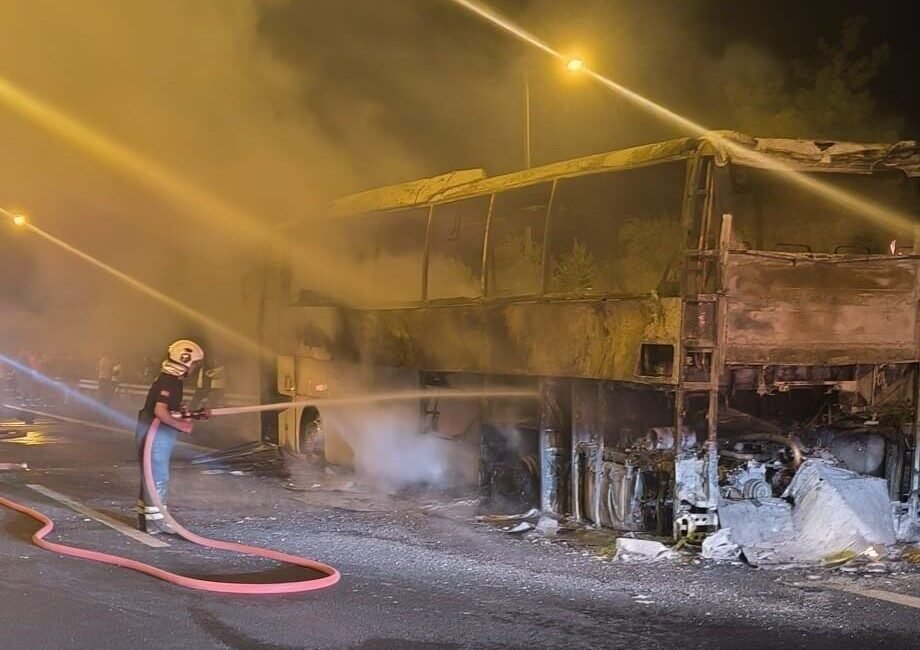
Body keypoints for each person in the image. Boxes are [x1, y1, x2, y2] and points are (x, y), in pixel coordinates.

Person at [135, 339, 204, 535]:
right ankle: (158, 524)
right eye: (195, 363)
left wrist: (183, 412)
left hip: (152, 431)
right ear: (186, 361)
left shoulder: (171, 380)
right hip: (154, 434)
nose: (196, 368)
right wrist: (181, 425)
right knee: (157, 476)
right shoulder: (170, 382)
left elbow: (167, 408)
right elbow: (160, 410)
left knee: (150, 475)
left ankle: (146, 521)